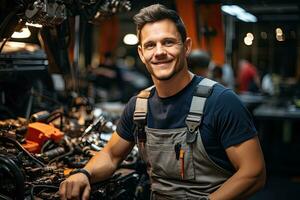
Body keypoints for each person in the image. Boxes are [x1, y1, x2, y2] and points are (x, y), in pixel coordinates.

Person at [59, 4, 266, 200]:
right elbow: (111, 155)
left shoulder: (221, 102)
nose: (159, 52)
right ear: (141, 53)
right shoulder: (138, 106)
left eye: (168, 42)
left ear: (186, 47)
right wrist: (84, 173)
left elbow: (253, 173)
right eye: (150, 45)